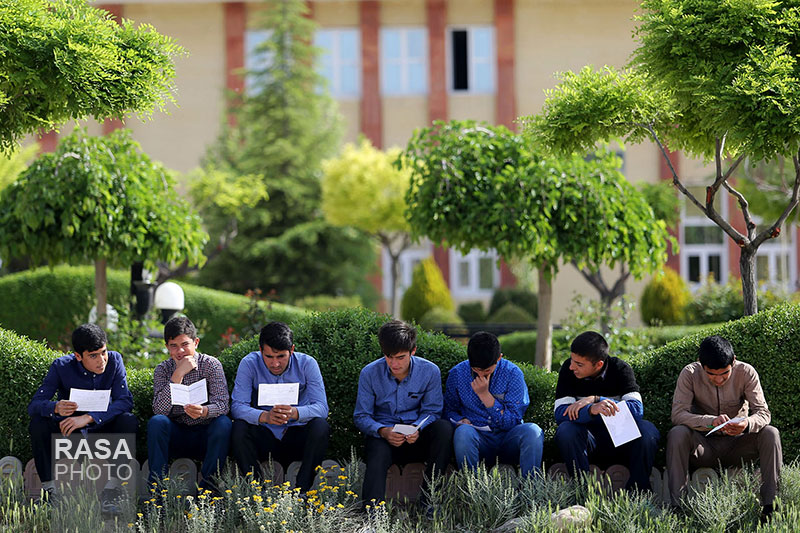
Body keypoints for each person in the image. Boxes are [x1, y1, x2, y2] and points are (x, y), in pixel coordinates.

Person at [666, 335, 782, 518]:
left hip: (738, 445)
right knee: (677, 433)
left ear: (733, 362)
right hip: (704, 447)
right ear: (700, 364)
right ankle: (678, 509)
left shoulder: (746, 372)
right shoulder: (689, 373)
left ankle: (771, 507)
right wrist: (709, 421)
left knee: (771, 433)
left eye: (724, 373)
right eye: (711, 374)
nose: (718, 379)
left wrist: (747, 424)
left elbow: (764, 413)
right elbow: (678, 415)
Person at [28, 323, 137, 508]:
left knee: (128, 420)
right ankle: (49, 491)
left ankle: (112, 490)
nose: (102, 360)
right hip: (70, 436)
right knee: (38, 423)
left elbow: (125, 401)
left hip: (101, 432)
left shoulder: (115, 360)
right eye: (93, 356)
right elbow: (34, 406)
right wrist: (55, 407)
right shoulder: (61, 366)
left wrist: (89, 417)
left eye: (104, 352)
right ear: (78, 356)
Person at [354, 319, 453, 509]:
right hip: (383, 438)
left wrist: (417, 428)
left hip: (417, 437)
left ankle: (430, 503)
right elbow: (361, 416)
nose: (394, 363)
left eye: (400, 357)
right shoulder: (369, 373)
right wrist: (383, 431)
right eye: (389, 357)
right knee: (376, 448)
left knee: (444, 429)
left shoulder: (430, 371)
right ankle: (372, 514)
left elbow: (432, 411)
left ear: (413, 351)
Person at [230, 322, 329, 493]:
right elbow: (237, 407)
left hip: (296, 434)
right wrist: (265, 416)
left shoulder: (307, 364)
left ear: (292, 350)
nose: (275, 364)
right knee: (238, 428)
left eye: (281, 356)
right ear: (261, 351)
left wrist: (295, 412)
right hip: (264, 434)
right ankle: (256, 492)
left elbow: (322, 408)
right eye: (269, 357)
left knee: (321, 426)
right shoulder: (249, 363)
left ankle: (302, 491)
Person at [553, 331, 659, 491]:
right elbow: (561, 413)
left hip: (621, 439)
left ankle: (638, 494)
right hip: (588, 441)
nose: (572, 366)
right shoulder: (568, 371)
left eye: (579, 364)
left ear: (599, 364)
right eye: (572, 360)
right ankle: (581, 492)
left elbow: (637, 411)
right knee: (566, 430)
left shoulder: (621, 369)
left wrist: (596, 399)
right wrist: (591, 410)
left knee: (647, 431)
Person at [147, 316, 231, 493]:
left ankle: (209, 491)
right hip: (178, 433)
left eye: (185, 344)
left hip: (206, 434)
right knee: (156, 422)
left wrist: (204, 411)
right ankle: (157, 492)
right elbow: (159, 409)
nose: (180, 351)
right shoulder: (163, 369)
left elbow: (223, 404)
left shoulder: (211, 365)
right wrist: (177, 376)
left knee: (223, 423)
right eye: (173, 346)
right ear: (167, 347)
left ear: (196, 343)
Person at [445, 331, 543, 477]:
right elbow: (448, 410)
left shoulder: (513, 374)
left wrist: (486, 397)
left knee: (532, 431)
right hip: (477, 438)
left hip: (508, 438)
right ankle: (474, 492)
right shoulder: (458, 374)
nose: (481, 375)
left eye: (487, 371)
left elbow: (514, 419)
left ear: (499, 358)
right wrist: (459, 421)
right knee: (462, 433)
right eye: (476, 370)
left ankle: (531, 491)